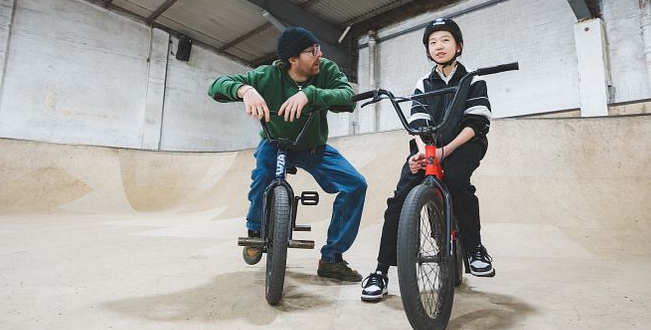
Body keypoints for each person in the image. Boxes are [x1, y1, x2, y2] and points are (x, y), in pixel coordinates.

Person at [209, 26, 367, 282]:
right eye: (312, 50)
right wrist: (245, 91)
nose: (320, 53)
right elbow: (216, 86)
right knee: (262, 176)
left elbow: (348, 97)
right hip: (274, 144)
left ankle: (332, 259)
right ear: (293, 59)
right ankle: (256, 230)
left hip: (313, 147)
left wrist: (310, 94)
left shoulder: (325, 70)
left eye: (318, 48)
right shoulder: (267, 76)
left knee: (356, 185)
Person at [361, 17, 494, 302]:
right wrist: (422, 152)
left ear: (459, 46)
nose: (438, 46)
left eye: (445, 40)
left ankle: (474, 249)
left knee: (457, 180)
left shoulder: (472, 79)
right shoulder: (423, 83)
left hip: (465, 142)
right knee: (399, 199)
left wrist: (446, 152)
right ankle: (380, 272)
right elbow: (418, 124)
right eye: (432, 42)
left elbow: (476, 123)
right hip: (429, 145)